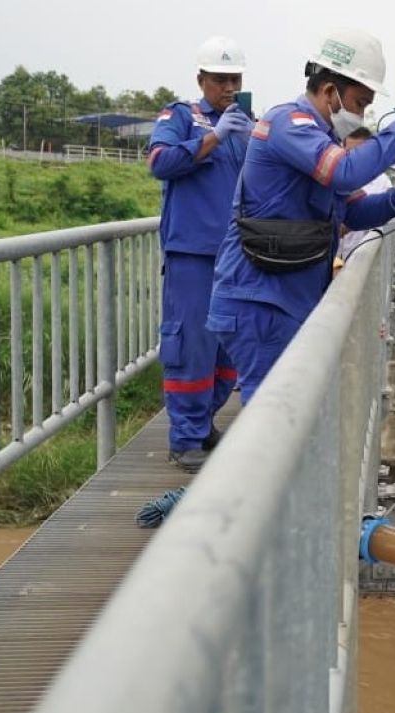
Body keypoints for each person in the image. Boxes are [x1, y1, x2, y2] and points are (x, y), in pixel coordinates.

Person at [207, 28, 395, 402]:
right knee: (275, 409)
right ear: (328, 92)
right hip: (260, 300)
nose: (362, 113)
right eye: (359, 102)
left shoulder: (321, 139)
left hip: (284, 296)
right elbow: (344, 173)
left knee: (291, 407)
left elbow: (352, 211)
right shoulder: (289, 125)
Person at [147, 35, 254, 472]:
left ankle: (205, 421)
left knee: (228, 346)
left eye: (235, 79)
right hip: (192, 252)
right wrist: (210, 140)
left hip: (236, 253)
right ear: (201, 79)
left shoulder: (246, 124)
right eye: (220, 79)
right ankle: (186, 437)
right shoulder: (182, 116)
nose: (228, 87)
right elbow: (159, 162)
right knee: (192, 345)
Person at [335, 126, 394, 271]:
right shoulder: (335, 179)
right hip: (332, 264)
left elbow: (385, 224)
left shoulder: (383, 183)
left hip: (365, 267)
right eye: (349, 152)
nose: (354, 158)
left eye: (359, 153)